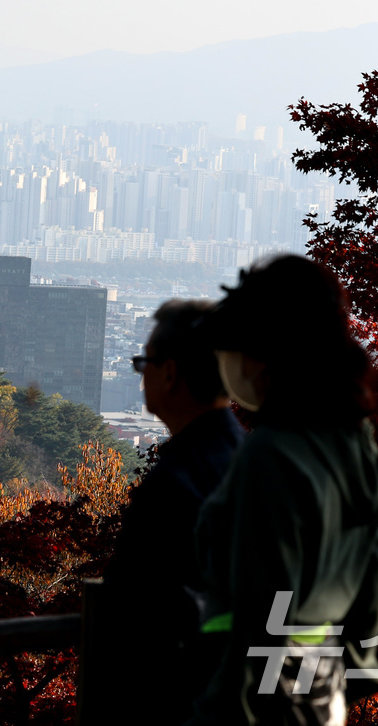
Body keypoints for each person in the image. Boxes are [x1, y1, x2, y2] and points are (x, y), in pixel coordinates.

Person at [187, 255, 378, 726]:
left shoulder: (272, 456)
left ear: (268, 354)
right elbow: (368, 580)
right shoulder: (355, 445)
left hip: (259, 702)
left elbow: (262, 608)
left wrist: (221, 708)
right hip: (325, 690)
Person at [95, 299, 244, 721]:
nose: (142, 377)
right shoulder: (252, 461)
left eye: (145, 364)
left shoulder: (174, 482)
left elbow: (133, 610)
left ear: (171, 372)